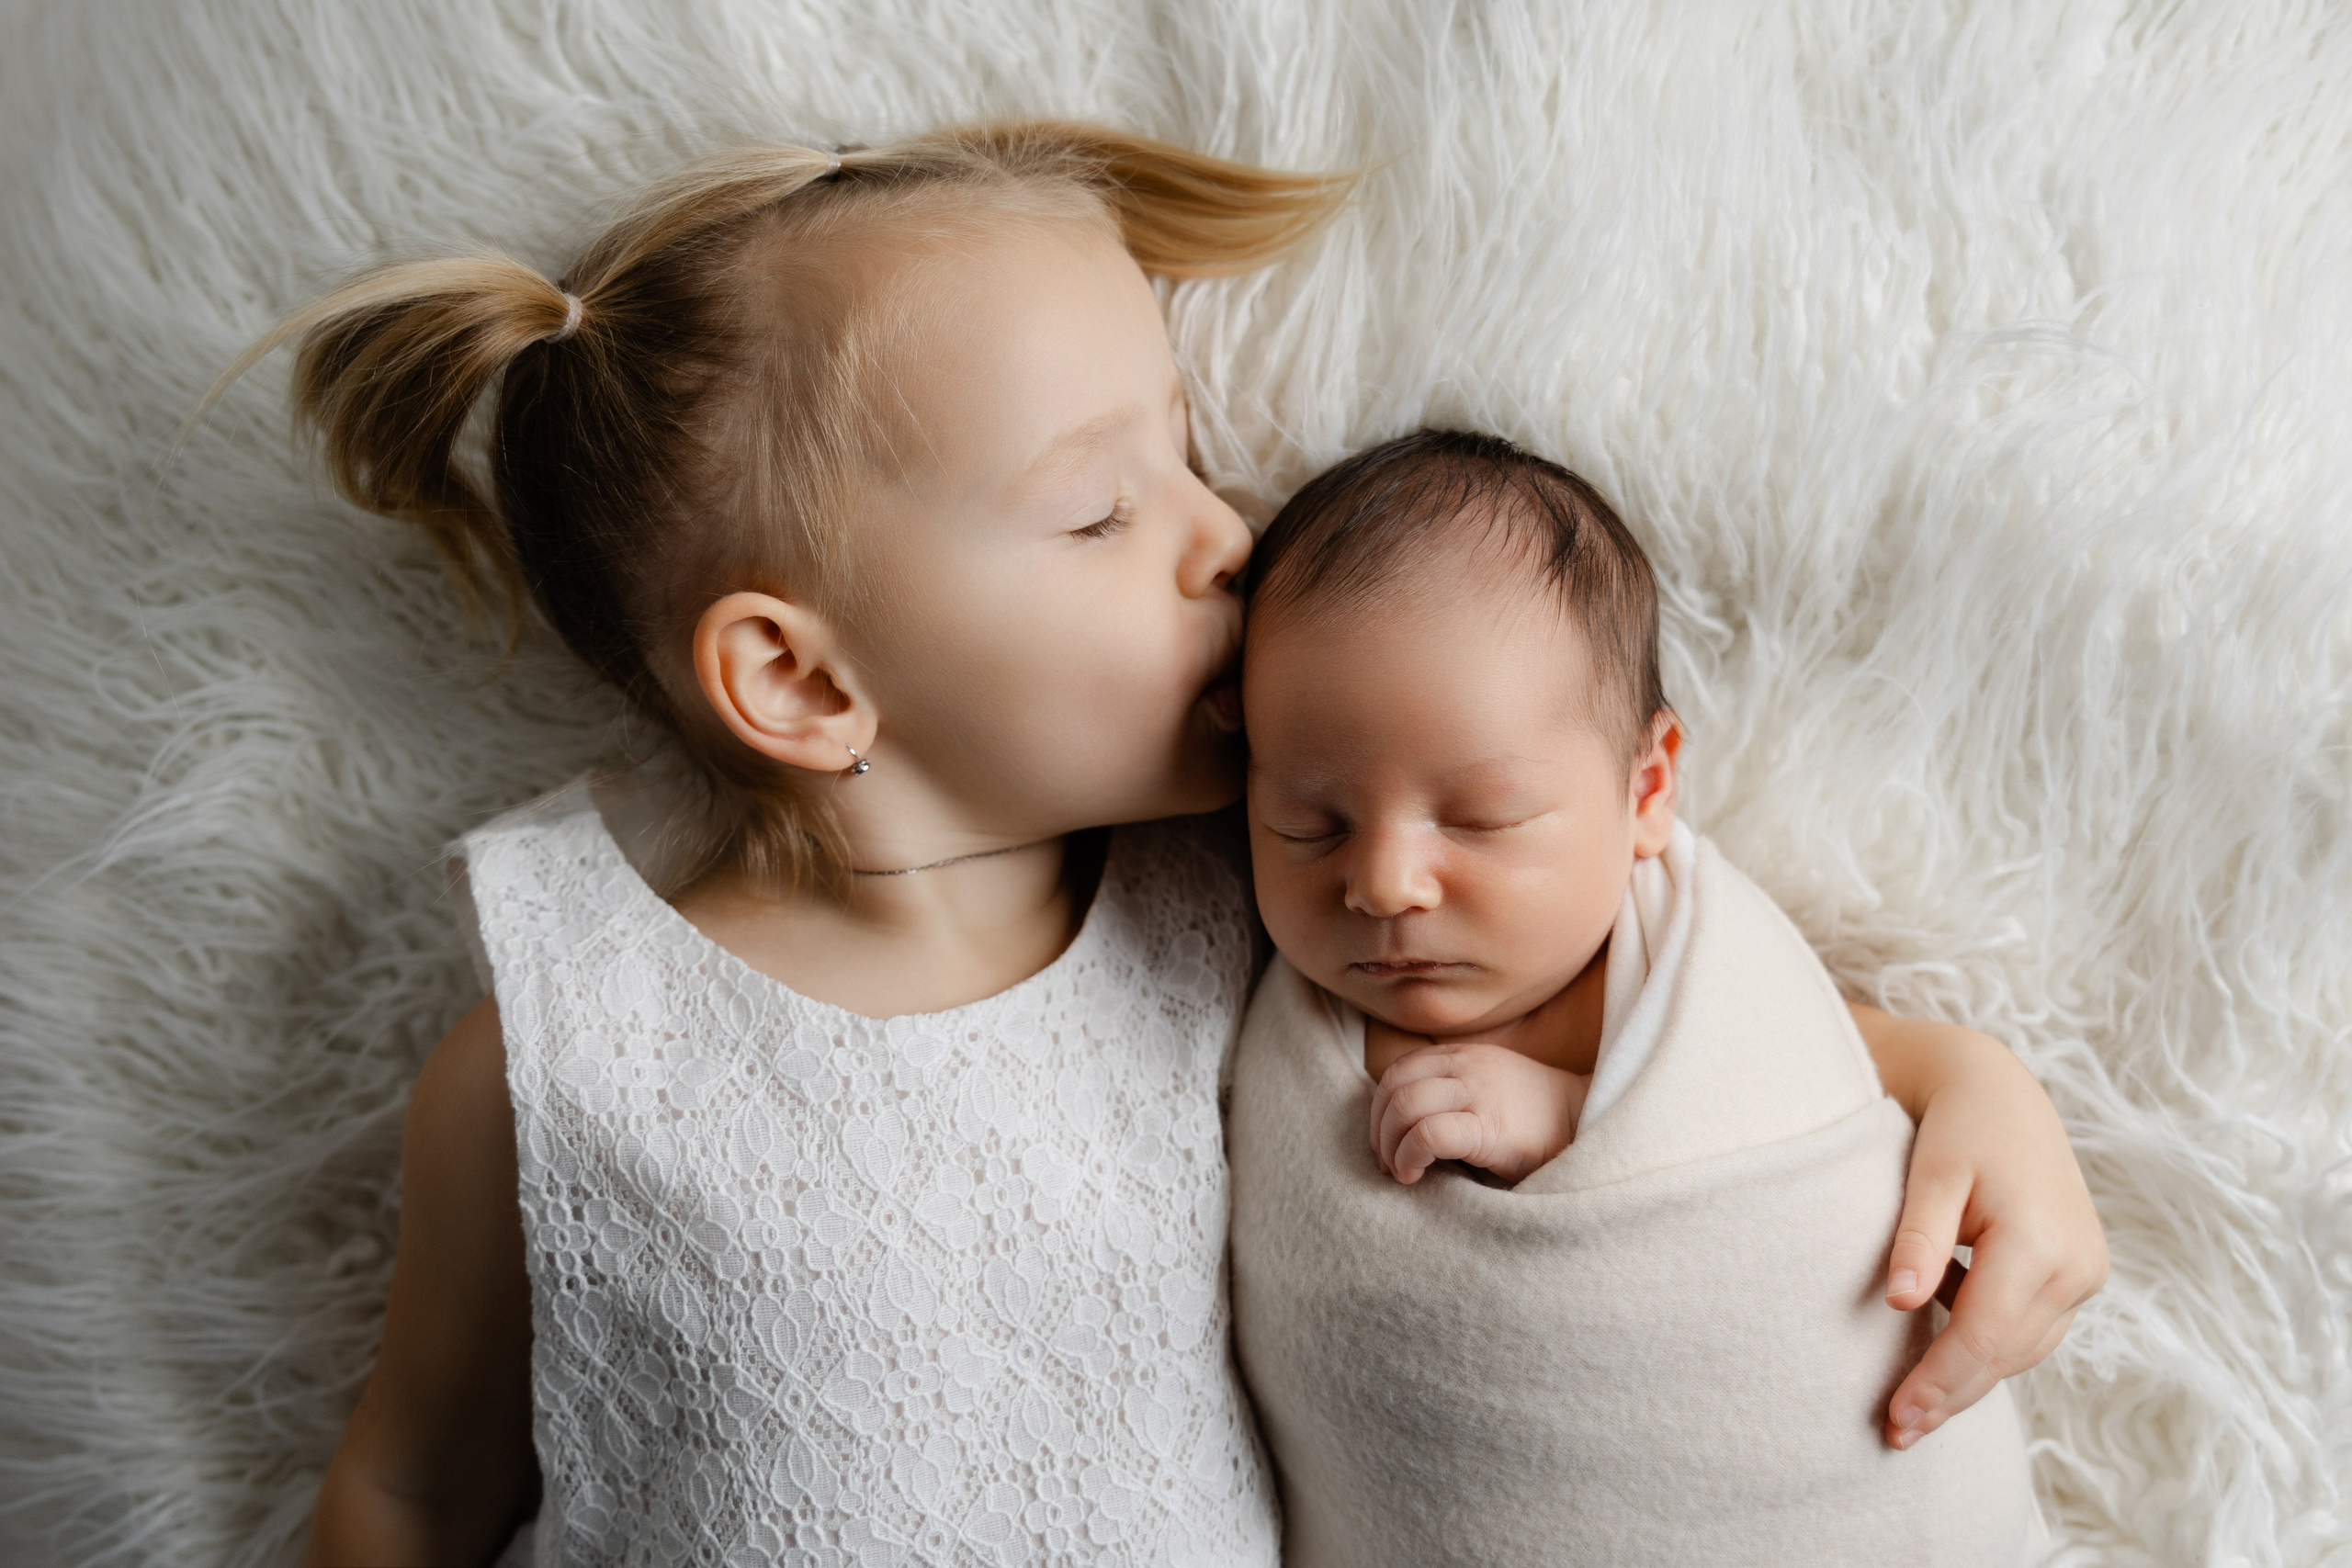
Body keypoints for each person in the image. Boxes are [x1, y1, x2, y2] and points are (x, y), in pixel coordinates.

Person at [198, 124, 2101, 1564]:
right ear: (794, 675)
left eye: (1193, 454)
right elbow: (406, 1480)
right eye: (1107, 507)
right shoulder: (565, 1046)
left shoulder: (1242, 911)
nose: (1229, 534)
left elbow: (1634, 1008)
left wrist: (1965, 1081)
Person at [1229, 429, 2088, 1564]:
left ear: (1647, 786)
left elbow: (1807, 1076)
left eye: (1480, 818)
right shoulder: (1256, 1009)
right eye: (1309, 823)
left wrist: (1563, 1111)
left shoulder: (1693, 962)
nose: (1383, 882)